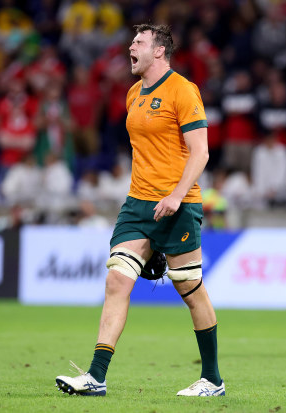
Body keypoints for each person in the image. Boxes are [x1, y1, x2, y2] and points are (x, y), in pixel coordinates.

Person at [55, 24, 224, 397]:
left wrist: (178, 195)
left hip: (177, 205)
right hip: (137, 205)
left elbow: (201, 151)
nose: (131, 47)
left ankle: (212, 379)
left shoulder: (183, 90)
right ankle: (96, 376)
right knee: (117, 281)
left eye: (140, 42)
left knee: (190, 290)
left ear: (159, 51)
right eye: (132, 41)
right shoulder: (133, 94)